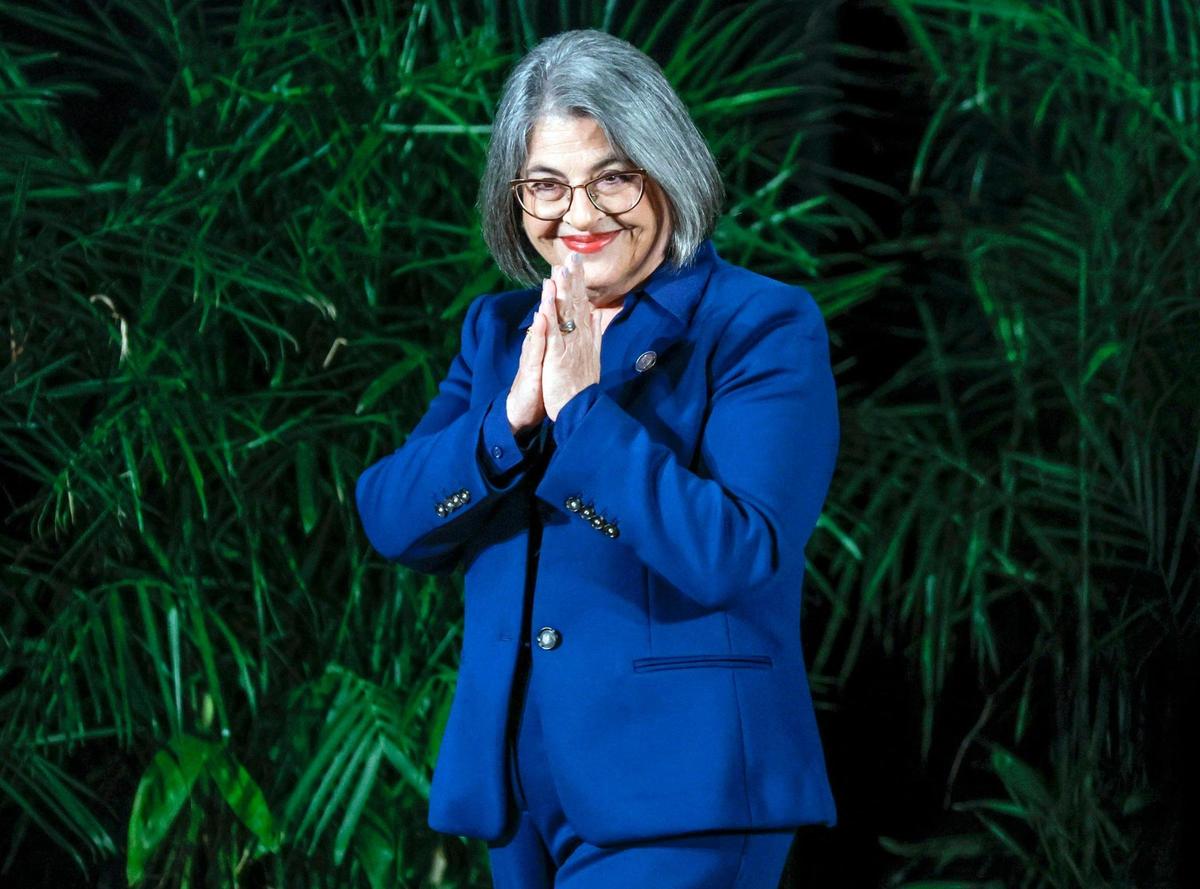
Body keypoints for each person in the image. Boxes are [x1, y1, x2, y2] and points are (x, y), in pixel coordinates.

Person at [355, 28, 840, 889]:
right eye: (547, 184)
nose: (578, 214)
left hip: (683, 787)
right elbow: (392, 516)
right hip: (520, 795)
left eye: (612, 176)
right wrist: (508, 421)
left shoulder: (759, 324)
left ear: (667, 171)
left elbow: (736, 548)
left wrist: (581, 413)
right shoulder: (499, 332)